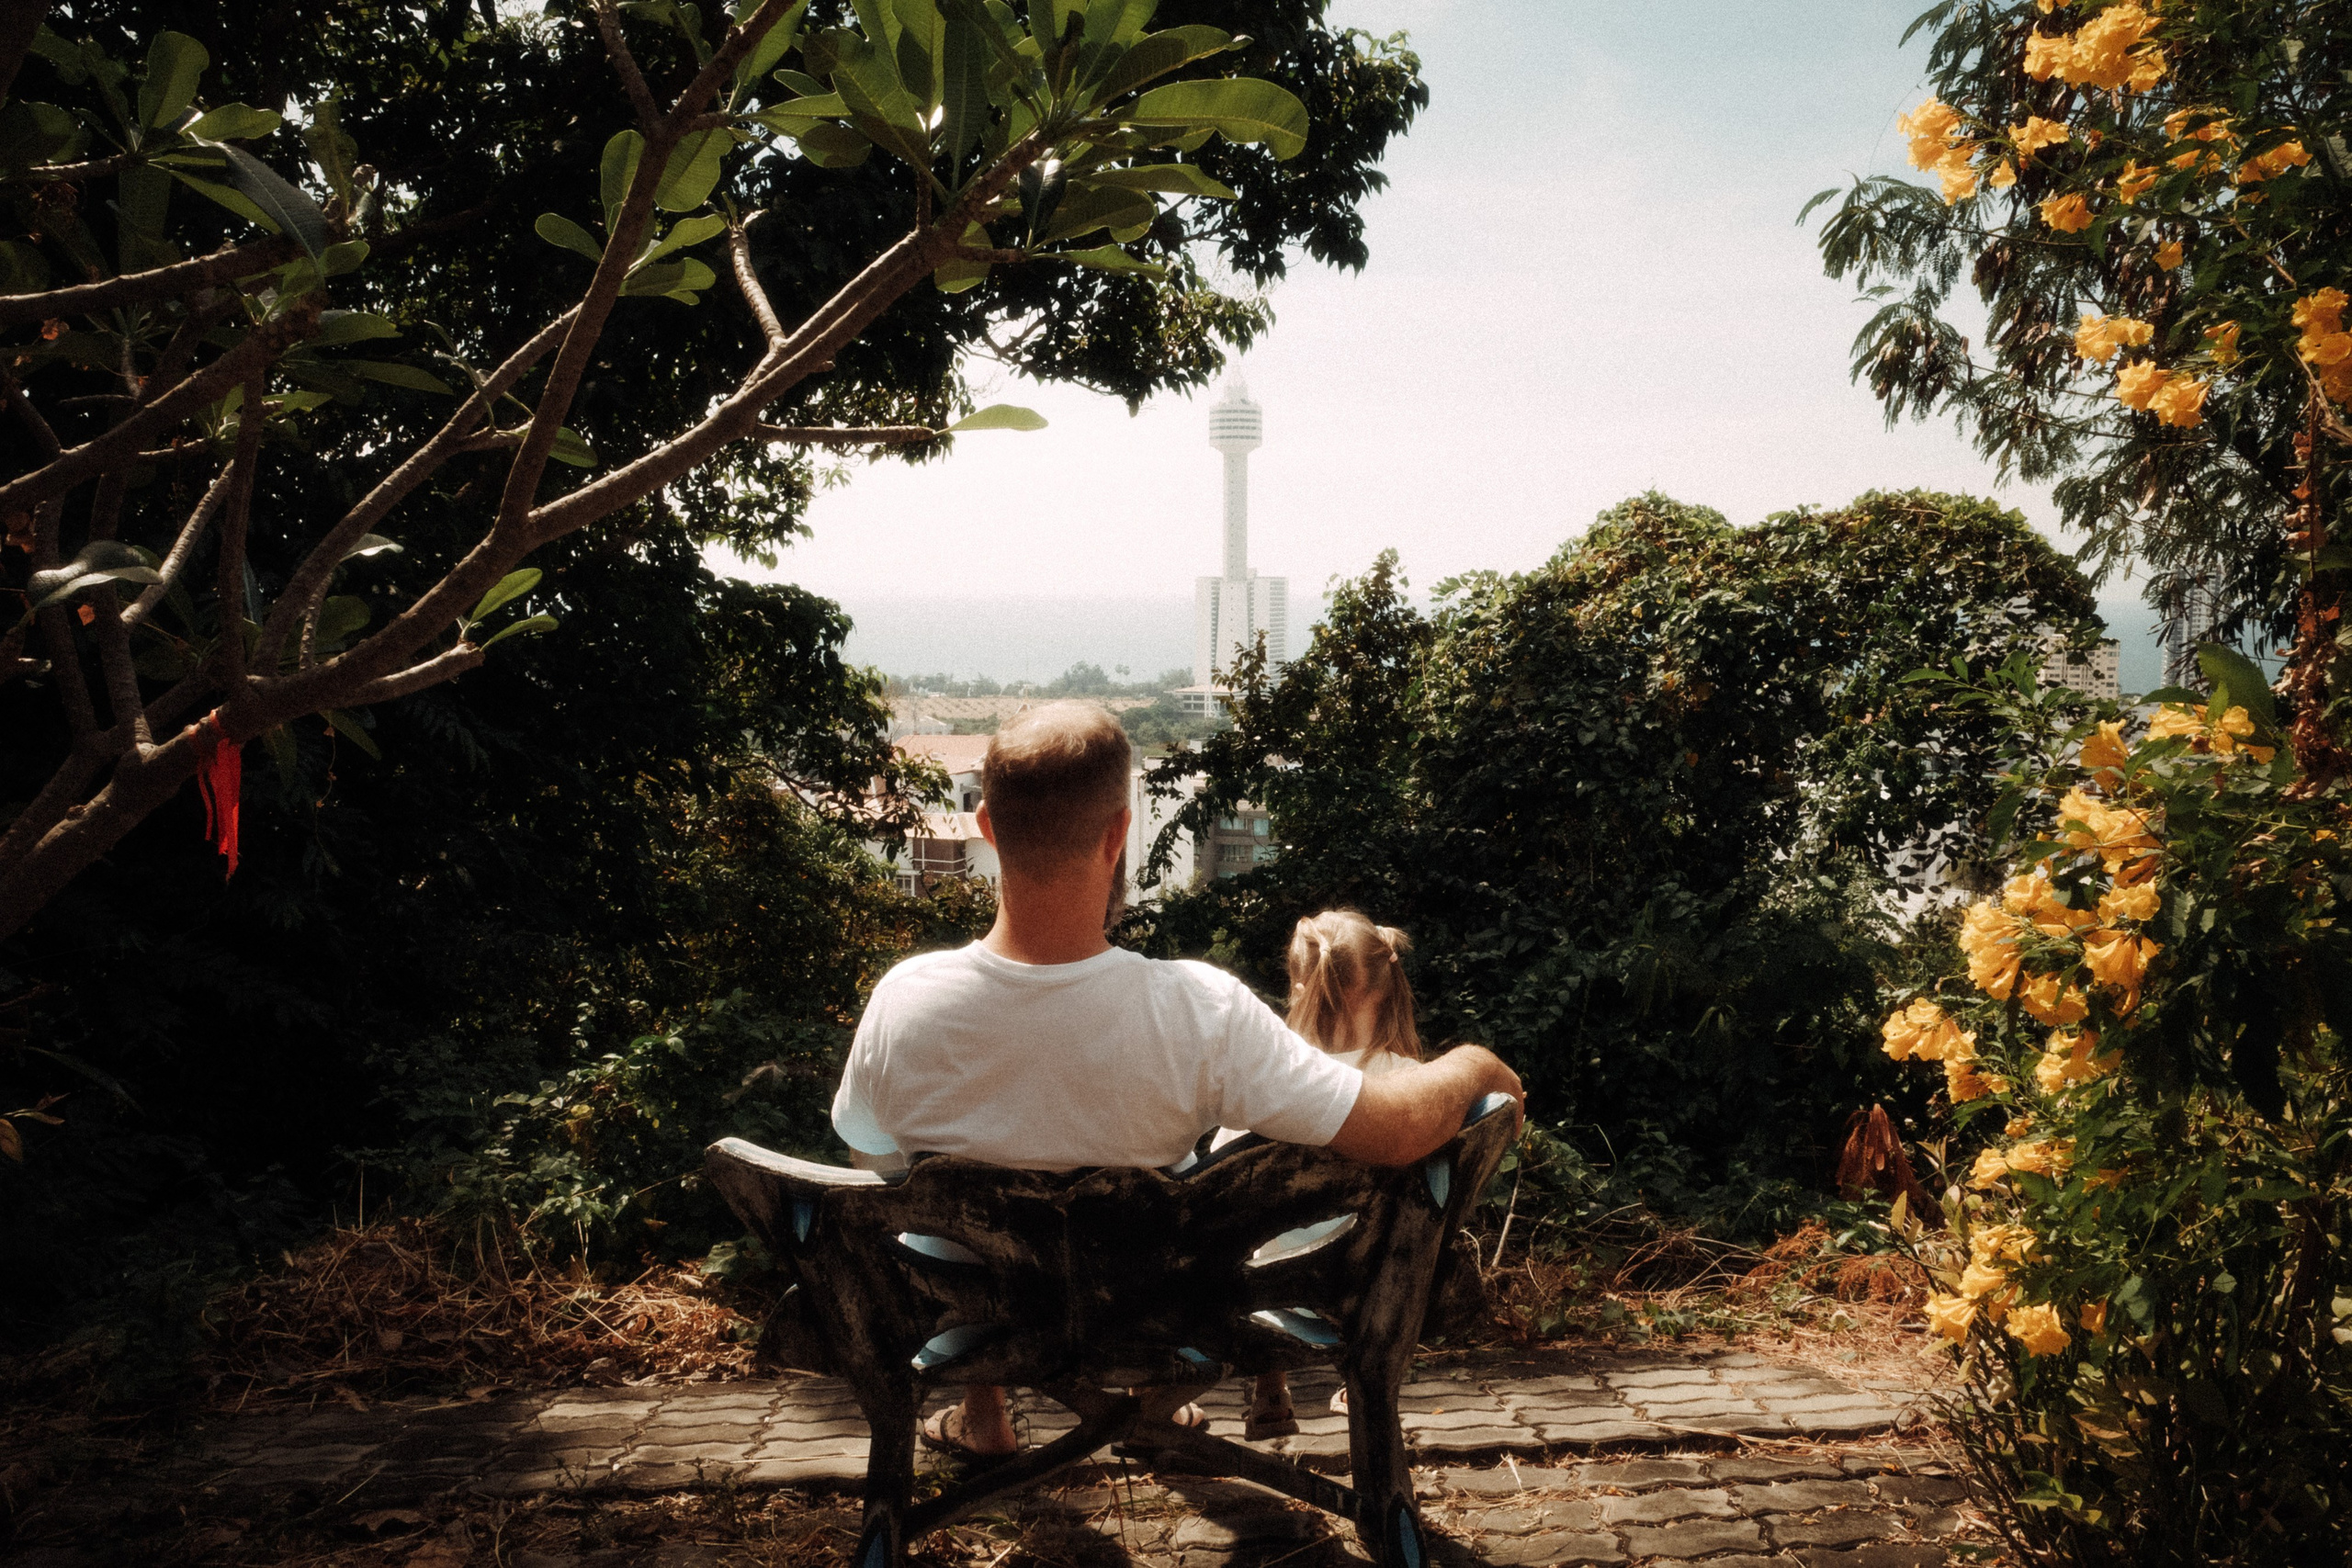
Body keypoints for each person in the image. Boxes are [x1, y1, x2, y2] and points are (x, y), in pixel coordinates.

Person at [830, 701, 1524, 1460]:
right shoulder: (1200, 1011)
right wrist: (1475, 1064)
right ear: (1119, 831)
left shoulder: (903, 1002)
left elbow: (872, 1158)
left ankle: (984, 1415)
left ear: (988, 828)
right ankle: (1146, 1414)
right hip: (1151, 1329)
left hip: (975, 1327)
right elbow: (1396, 1129)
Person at [1229, 909, 1423, 1441]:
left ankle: (1271, 1387)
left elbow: (1225, 1196)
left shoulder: (1260, 1091)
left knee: (1255, 1240)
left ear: (1297, 987)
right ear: (1387, 988)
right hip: (1375, 1291)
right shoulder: (1417, 1090)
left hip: (1271, 1294)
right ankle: (1364, 1382)